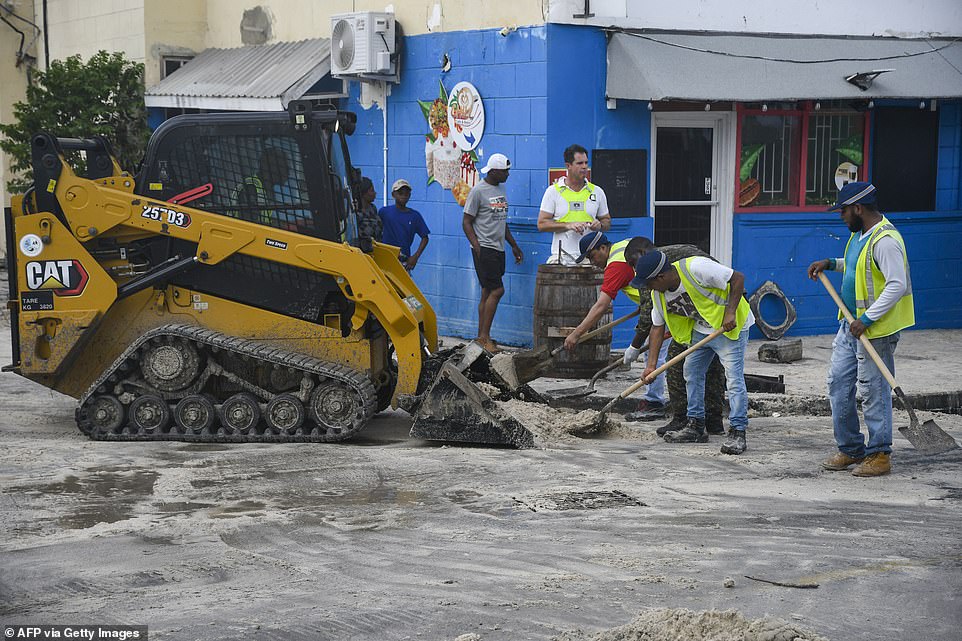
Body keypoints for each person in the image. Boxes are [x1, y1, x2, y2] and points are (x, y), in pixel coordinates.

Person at [807, 181, 914, 478]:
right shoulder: (859, 236)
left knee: (873, 391)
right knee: (838, 385)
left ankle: (880, 453)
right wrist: (831, 263)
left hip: (874, 330)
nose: (841, 217)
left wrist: (866, 320)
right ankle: (851, 448)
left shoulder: (886, 240)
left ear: (858, 208)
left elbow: (896, 285)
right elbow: (858, 267)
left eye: (843, 210)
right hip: (849, 324)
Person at [634, 250, 754, 455]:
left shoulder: (697, 268)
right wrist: (651, 366)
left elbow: (737, 278)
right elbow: (657, 327)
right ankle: (696, 426)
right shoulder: (658, 294)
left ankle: (738, 431)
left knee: (733, 378)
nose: (647, 288)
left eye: (649, 283)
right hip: (701, 330)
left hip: (729, 328)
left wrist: (731, 312)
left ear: (661, 277)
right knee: (691, 372)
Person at [562, 232, 670, 421]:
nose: (592, 262)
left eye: (592, 256)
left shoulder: (615, 266)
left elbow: (601, 305)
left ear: (603, 248)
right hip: (655, 304)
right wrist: (642, 304)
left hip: (663, 307)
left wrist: (577, 334)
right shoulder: (625, 246)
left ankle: (654, 403)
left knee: (654, 354)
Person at [625, 239, 728, 434]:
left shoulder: (658, 267)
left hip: (715, 316)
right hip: (691, 322)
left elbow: (648, 317)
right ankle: (687, 418)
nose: (634, 269)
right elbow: (656, 320)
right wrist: (650, 365)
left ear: (642, 252)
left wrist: (635, 346)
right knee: (679, 365)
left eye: (633, 263)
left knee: (712, 370)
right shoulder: (659, 263)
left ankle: (708, 420)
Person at [462, 153, 524, 354]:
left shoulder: (501, 189)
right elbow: (466, 222)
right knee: (498, 290)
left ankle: (482, 337)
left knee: (487, 291)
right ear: (495, 171)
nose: (508, 174)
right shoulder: (478, 191)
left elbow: (502, 221)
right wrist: (477, 246)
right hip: (485, 248)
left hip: (499, 248)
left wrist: (513, 245)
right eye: (505, 171)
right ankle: (484, 337)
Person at [537, 144, 611, 265]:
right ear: (568, 166)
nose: (585, 167)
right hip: (561, 257)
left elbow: (607, 222)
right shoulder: (553, 191)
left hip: (590, 258)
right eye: (579, 163)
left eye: (586, 163)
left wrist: (600, 225)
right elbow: (541, 224)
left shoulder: (597, 191)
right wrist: (568, 225)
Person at [379, 179, 431, 271]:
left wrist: (415, 257)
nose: (403, 196)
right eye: (400, 193)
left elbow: (425, 238)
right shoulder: (384, 212)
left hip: (403, 260)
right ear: (393, 195)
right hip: (384, 259)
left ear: (409, 196)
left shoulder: (415, 216)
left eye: (406, 193)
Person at [232, 147, 290, 225]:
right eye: (284, 167)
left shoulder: (266, 188)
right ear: (271, 167)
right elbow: (250, 223)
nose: (288, 172)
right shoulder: (251, 188)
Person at [355, 177, 383, 252]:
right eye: (372, 190)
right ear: (363, 193)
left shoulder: (373, 208)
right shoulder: (356, 213)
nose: (375, 193)